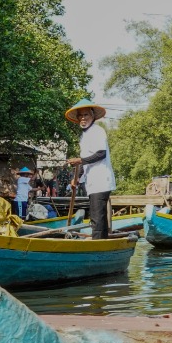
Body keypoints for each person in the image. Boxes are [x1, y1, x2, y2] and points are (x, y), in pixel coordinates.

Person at [65, 98, 116, 239]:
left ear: (92, 115)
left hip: (101, 180)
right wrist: (76, 178)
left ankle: (98, 244)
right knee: (97, 215)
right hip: (92, 181)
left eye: (86, 115)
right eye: (80, 115)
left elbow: (101, 153)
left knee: (97, 217)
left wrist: (79, 160)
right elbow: (84, 160)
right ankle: (102, 241)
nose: (83, 118)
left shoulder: (97, 131)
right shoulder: (84, 136)